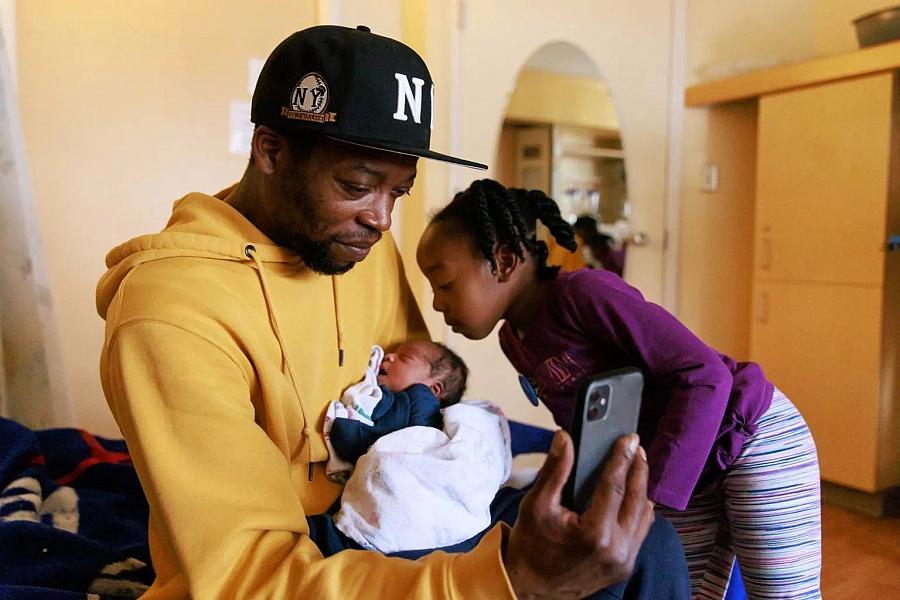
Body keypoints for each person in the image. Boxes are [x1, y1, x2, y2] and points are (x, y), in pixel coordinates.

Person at [97, 25, 685, 599]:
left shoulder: (356, 246)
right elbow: (247, 578)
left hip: (401, 506)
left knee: (639, 542)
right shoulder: (170, 311)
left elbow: (425, 397)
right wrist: (511, 580)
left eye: (398, 193)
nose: (381, 219)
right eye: (357, 184)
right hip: (314, 555)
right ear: (271, 150)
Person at [416, 178, 822, 599]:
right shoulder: (513, 340)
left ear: (502, 261)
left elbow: (705, 375)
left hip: (750, 435)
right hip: (688, 474)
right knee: (680, 590)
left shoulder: (584, 294)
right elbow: (590, 427)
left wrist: (653, 495)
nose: (436, 303)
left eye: (444, 284)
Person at [323, 340, 468, 481]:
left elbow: (417, 440)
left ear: (433, 389)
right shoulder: (384, 393)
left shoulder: (424, 399)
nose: (389, 356)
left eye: (405, 357)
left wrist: (355, 435)